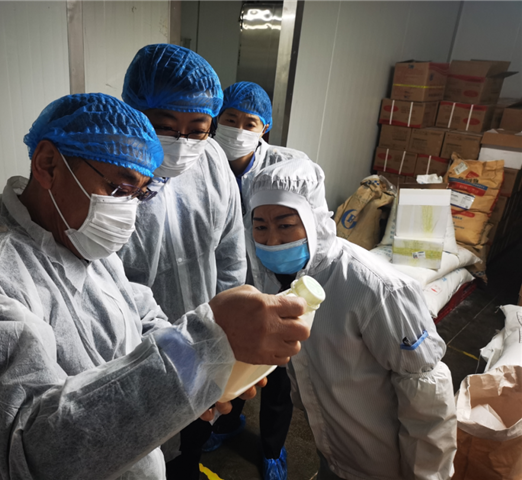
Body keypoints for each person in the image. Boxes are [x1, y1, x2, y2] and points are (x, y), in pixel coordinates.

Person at [0, 93, 312, 480]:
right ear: (48, 164)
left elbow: (141, 318)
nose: (127, 212)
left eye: (140, 194)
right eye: (118, 189)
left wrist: (205, 373)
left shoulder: (78, 238)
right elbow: (37, 455)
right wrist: (202, 346)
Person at [242, 159, 457, 480]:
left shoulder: (377, 288)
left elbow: (426, 395)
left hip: (383, 465)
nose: (271, 241)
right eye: (260, 227)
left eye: (285, 225)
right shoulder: (275, 279)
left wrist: (427, 475)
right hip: (332, 448)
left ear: (314, 220)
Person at [117, 44, 247, 478]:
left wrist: (226, 334)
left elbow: (230, 251)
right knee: (139, 452)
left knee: (191, 442)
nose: (181, 142)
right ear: (135, 112)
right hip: (133, 353)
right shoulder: (112, 173)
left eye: (197, 129)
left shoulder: (212, 161)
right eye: (165, 126)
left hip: (205, 333)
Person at [208, 81, 314, 480]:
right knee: (231, 359)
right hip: (227, 282)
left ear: (264, 127)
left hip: (278, 279)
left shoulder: (288, 167)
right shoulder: (203, 162)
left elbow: (314, 226)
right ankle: (229, 422)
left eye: (248, 122)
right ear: (217, 120)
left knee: (277, 372)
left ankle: (271, 448)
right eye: (230, 119)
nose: (237, 129)